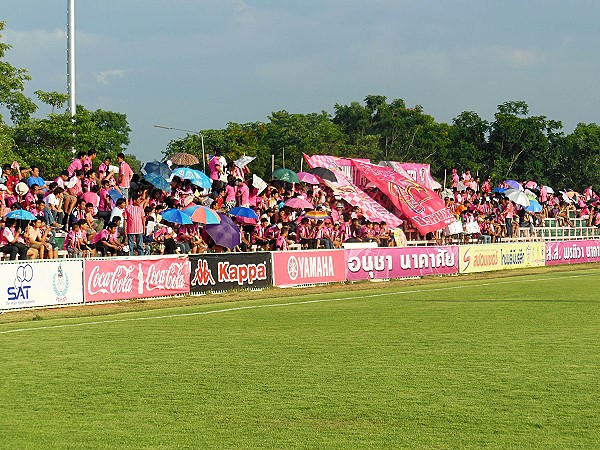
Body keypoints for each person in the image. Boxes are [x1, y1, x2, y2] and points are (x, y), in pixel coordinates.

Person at [123, 192, 147, 256]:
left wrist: (144, 228)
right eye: (138, 200)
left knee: (140, 245)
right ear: (134, 201)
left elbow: (143, 219)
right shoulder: (128, 208)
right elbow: (125, 219)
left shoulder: (140, 208)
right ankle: (131, 257)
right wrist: (124, 229)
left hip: (139, 229)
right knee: (131, 246)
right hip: (130, 230)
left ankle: (141, 257)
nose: (139, 201)